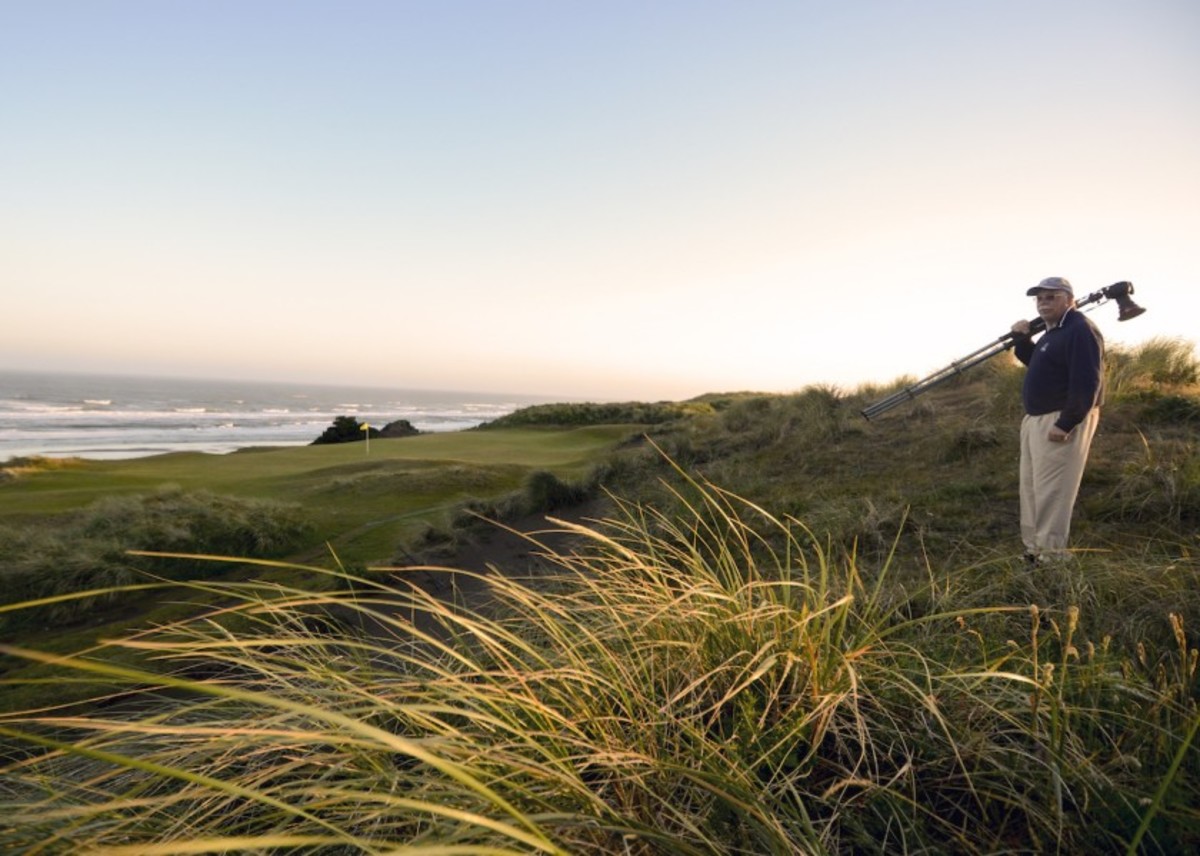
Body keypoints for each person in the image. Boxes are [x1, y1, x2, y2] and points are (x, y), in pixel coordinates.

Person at [1010, 277, 1105, 564]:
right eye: (1039, 298)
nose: (1043, 303)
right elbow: (1039, 362)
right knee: (1031, 488)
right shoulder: (1053, 333)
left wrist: (1067, 422)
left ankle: (1050, 558)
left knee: (1053, 490)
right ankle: (1033, 550)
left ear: (1069, 299)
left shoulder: (1079, 329)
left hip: (1059, 419)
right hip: (1036, 420)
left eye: (1051, 297)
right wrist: (1022, 339)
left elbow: (1088, 380)